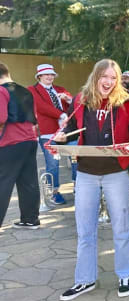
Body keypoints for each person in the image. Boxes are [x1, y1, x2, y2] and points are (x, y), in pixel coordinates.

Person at [53, 58, 129, 301]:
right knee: (85, 229)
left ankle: (125, 274)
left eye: (113, 77)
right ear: (95, 77)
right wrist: (62, 135)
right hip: (86, 173)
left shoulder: (125, 101)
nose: (108, 81)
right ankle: (85, 279)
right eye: (104, 76)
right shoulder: (82, 100)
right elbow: (69, 126)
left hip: (116, 172)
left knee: (121, 227)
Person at [28, 63, 77, 205]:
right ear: (39, 76)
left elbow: (74, 104)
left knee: (76, 158)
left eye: (52, 74)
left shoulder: (60, 89)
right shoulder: (32, 90)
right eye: (46, 74)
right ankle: (54, 192)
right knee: (52, 163)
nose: (50, 77)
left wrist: (68, 99)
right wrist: (61, 114)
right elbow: (40, 107)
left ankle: (78, 187)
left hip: (68, 132)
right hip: (47, 132)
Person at [0, 61, 40, 229]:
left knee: (3, 182)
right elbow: (34, 116)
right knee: (28, 181)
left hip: (10, 142)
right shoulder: (25, 90)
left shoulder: (1, 91)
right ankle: (30, 219)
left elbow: (1, 117)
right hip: (29, 140)